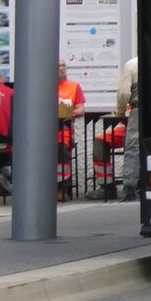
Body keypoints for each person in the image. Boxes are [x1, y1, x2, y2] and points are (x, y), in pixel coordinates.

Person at [57, 58, 86, 202]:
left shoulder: (73, 87)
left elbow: (81, 109)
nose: (62, 68)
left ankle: (62, 187)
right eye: (58, 66)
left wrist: (67, 112)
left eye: (64, 66)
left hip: (64, 130)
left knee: (61, 149)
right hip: (45, 132)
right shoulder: (44, 86)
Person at [116, 56, 139, 202]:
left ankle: (130, 187)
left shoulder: (131, 64)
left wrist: (120, 110)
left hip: (138, 111)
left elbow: (124, 94)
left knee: (133, 148)